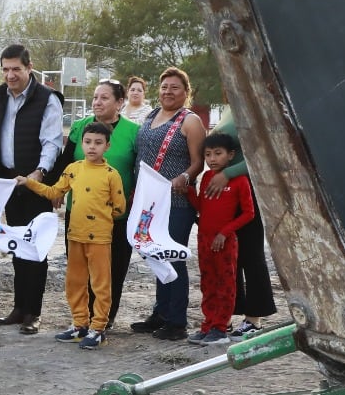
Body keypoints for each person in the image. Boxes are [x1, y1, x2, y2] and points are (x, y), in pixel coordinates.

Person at [18, 122, 127, 350]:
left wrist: (101, 216)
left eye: (98, 143)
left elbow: (119, 208)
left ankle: (98, 328)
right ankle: (80, 325)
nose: (92, 147)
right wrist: (29, 182)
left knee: (101, 285)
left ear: (107, 146)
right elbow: (54, 192)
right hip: (75, 235)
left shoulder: (111, 175)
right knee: (75, 283)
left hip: (99, 238)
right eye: (88, 142)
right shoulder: (73, 169)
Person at [0, 43, 64, 334]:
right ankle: (19, 308)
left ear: (29, 68)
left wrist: (37, 174)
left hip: (35, 184)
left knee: (36, 248)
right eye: (6, 69)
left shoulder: (47, 99)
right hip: (9, 183)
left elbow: (52, 143)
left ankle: (34, 312)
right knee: (17, 246)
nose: (10, 75)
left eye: (16, 69)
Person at [129, 66, 205, 342]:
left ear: (186, 92)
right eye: (164, 87)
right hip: (150, 201)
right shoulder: (151, 115)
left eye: (174, 87)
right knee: (155, 254)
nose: (168, 92)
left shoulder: (190, 121)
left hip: (176, 202)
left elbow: (198, 161)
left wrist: (183, 177)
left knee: (172, 256)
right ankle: (161, 313)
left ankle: (177, 321)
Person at [58, 78, 140, 331]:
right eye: (95, 97)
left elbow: (140, 170)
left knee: (111, 271)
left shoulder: (133, 132)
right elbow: (64, 164)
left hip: (115, 217)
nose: (97, 102)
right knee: (79, 271)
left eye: (104, 98)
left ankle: (104, 319)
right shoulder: (80, 127)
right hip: (79, 213)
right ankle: (81, 320)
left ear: (119, 102)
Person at [200, 112, 277, 334]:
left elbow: (263, 155)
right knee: (229, 258)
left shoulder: (255, 109)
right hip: (224, 189)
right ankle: (227, 314)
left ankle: (254, 318)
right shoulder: (228, 110)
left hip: (246, 186)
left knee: (251, 255)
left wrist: (230, 172)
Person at [187, 132, 257, 346]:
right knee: (208, 284)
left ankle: (220, 327)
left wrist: (224, 233)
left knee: (226, 284)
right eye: (208, 154)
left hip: (224, 242)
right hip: (204, 239)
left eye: (218, 153)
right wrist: (188, 191)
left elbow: (249, 213)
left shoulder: (240, 180)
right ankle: (208, 325)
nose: (212, 159)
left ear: (231, 155)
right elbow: (202, 206)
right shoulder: (207, 178)